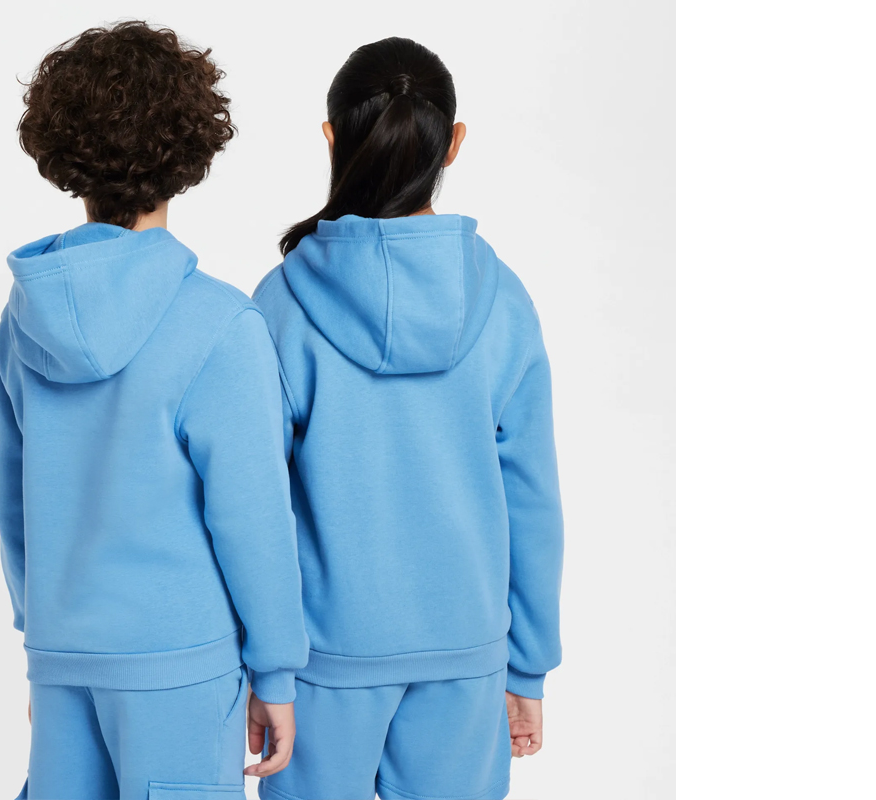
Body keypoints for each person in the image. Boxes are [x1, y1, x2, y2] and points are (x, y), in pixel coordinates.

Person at [0, 22, 307, 800]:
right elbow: (253, 518)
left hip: (64, 653)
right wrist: (276, 672)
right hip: (180, 667)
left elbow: (15, 498)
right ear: (189, 150)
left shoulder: (22, 320)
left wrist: (51, 647)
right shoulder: (221, 326)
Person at [251, 37, 564, 800]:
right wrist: (527, 665)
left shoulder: (281, 304)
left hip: (322, 660)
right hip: (467, 653)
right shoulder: (504, 301)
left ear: (331, 138)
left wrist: (264, 668)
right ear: (454, 144)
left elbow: (254, 503)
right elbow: (532, 497)